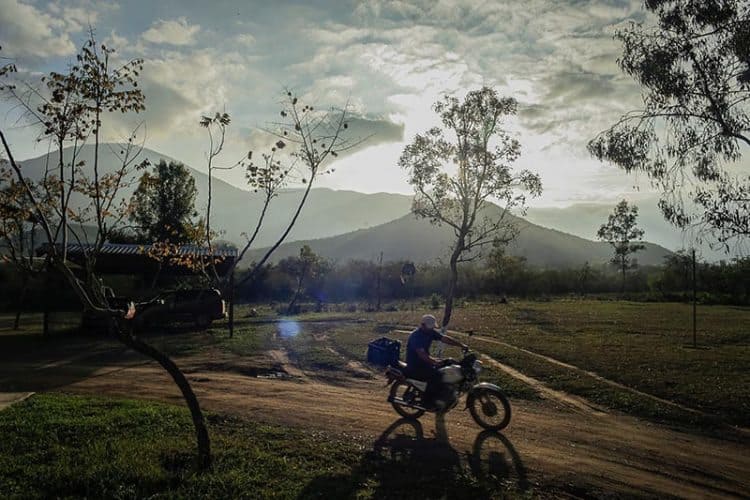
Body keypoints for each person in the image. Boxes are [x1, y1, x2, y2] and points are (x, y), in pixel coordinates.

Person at [405, 314, 467, 409]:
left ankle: (444, 397)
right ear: (422, 325)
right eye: (429, 327)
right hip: (415, 365)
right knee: (436, 376)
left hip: (425, 362)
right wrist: (433, 361)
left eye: (432, 327)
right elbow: (421, 354)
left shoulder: (430, 332)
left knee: (448, 365)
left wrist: (461, 345)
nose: (431, 329)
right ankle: (427, 402)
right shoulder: (416, 336)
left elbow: (444, 339)